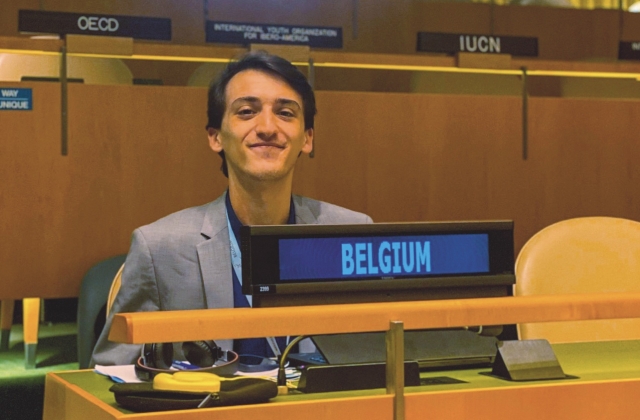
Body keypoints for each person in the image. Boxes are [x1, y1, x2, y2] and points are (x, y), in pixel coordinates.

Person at [90, 51, 373, 367]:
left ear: (307, 139)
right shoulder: (159, 248)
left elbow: (374, 358)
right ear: (215, 137)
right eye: (247, 111)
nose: (267, 127)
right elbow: (111, 372)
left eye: (286, 113)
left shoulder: (349, 234)